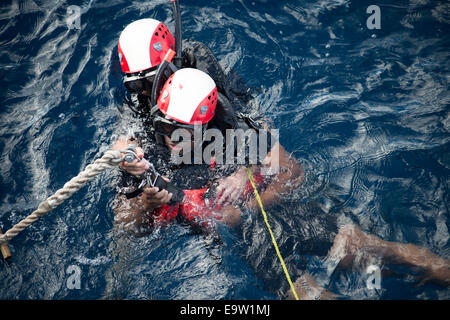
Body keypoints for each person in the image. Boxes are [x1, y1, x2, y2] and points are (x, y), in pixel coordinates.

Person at [111, 18, 449, 299]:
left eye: (177, 132)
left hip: (265, 222)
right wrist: (145, 199)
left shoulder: (242, 133)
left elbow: (292, 173)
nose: (170, 140)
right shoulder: (150, 145)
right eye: (163, 127)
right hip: (254, 221)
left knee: (358, 253)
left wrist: (245, 203)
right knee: (347, 262)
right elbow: (132, 223)